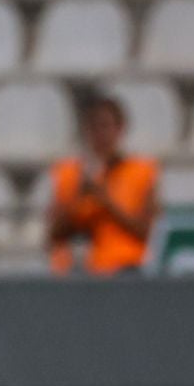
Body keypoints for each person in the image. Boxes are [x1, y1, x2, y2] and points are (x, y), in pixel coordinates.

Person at [47, 92, 159, 275]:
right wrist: (78, 196)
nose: (100, 135)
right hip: (79, 271)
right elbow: (54, 235)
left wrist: (107, 202)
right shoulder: (70, 173)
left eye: (106, 126)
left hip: (128, 267)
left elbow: (150, 233)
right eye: (93, 127)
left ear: (121, 128)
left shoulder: (142, 171)